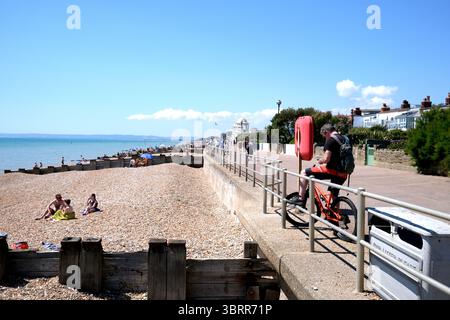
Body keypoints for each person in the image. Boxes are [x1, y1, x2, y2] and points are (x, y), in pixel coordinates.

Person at [297, 124, 348, 207]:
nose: (325, 138)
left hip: (332, 170)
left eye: (324, 135)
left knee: (304, 172)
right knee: (334, 194)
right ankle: (337, 215)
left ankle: (300, 199)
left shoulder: (331, 140)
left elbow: (326, 159)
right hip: (344, 172)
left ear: (326, 132)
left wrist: (320, 161)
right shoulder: (344, 139)